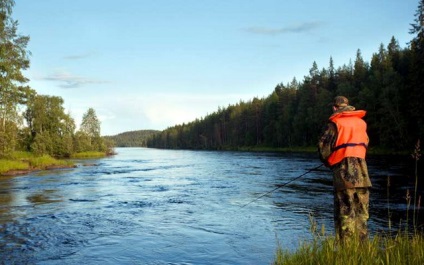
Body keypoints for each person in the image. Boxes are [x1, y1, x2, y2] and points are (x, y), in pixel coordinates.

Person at [318, 96, 372, 241]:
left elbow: (324, 150)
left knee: (345, 215)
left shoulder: (334, 123)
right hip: (363, 174)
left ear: (335, 107)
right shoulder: (361, 123)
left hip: (343, 176)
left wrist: (329, 162)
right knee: (362, 215)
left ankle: (346, 254)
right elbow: (365, 144)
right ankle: (363, 252)